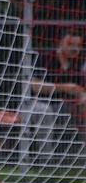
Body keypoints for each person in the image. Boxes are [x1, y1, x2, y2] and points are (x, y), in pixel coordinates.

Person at [28, 29, 86, 158]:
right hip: (35, 103)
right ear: (61, 42)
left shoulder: (78, 63)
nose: (75, 49)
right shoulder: (44, 57)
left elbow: (80, 90)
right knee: (45, 111)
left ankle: (79, 161)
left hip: (63, 106)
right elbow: (34, 86)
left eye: (78, 46)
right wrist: (62, 88)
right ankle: (46, 162)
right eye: (70, 44)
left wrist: (82, 96)